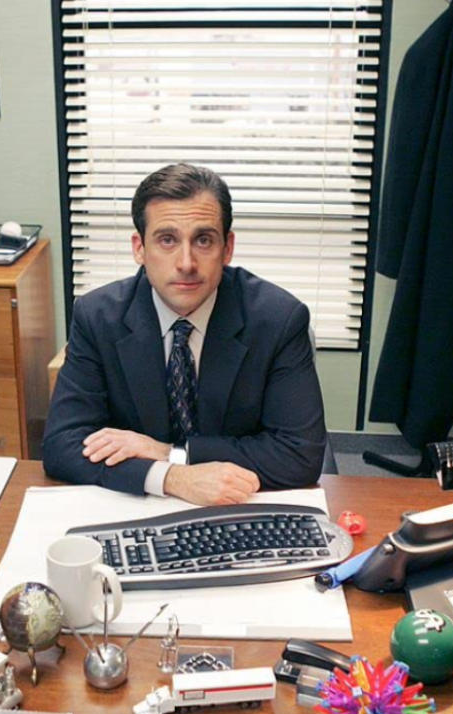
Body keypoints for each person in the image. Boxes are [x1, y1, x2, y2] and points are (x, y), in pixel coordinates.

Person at [42, 163, 326, 506]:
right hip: (136, 505)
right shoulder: (97, 317)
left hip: (238, 505)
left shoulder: (278, 319)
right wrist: (172, 477)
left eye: (203, 240)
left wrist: (170, 453)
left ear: (228, 248)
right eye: (167, 240)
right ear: (139, 249)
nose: (186, 263)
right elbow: (62, 446)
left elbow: (299, 455)